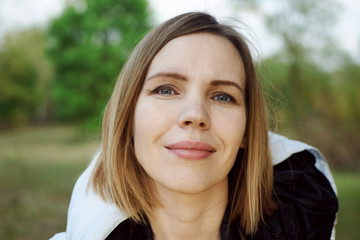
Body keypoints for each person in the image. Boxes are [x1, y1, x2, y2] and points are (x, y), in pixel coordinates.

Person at [50, 12, 338, 240]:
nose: (195, 115)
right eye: (166, 90)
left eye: (223, 96)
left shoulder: (303, 220)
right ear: (128, 117)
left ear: (248, 132)